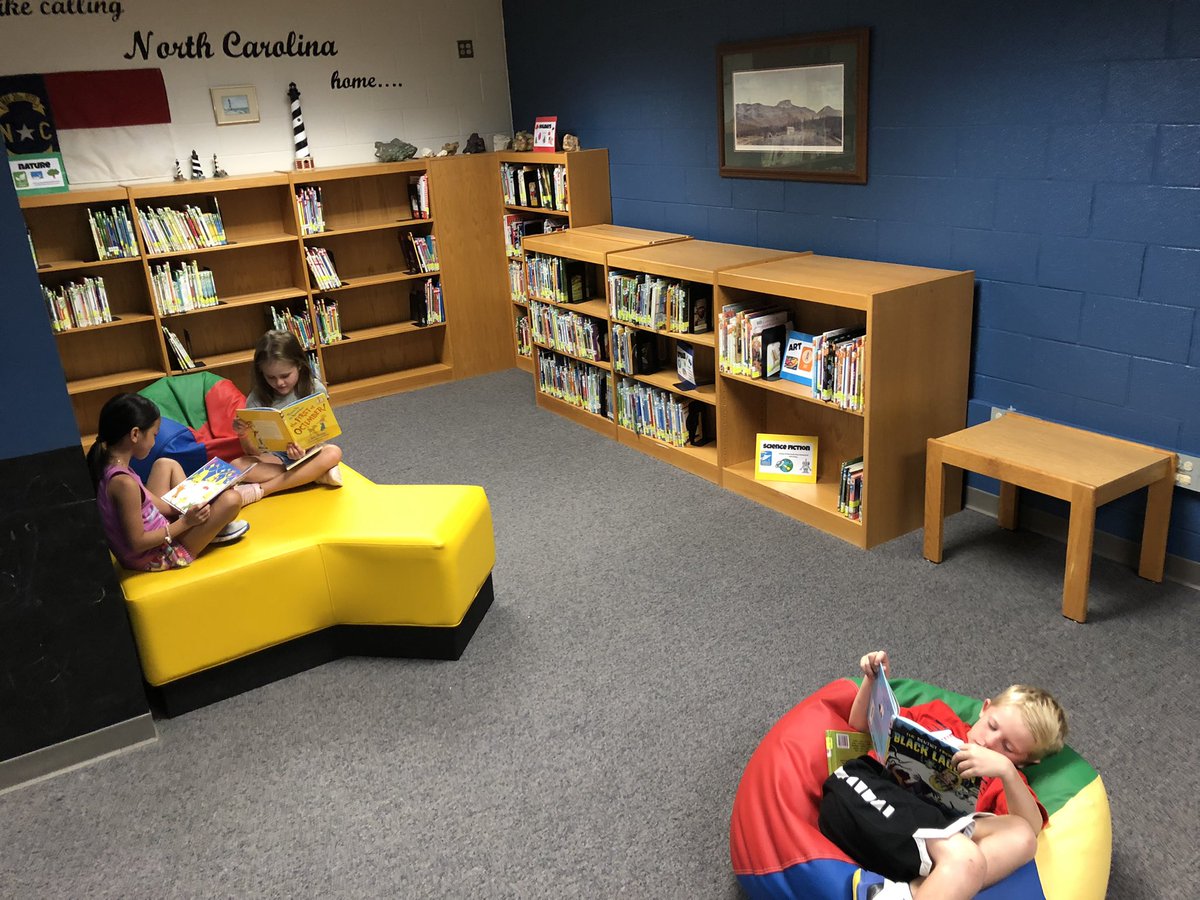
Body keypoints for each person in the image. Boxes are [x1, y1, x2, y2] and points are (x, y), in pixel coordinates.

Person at [821, 650, 1068, 900]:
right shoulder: (938, 717)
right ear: (985, 708)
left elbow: (1030, 828)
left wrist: (1006, 770)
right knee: (964, 856)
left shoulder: (1002, 777)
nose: (990, 742)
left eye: (1009, 748)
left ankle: (906, 892)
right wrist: (872, 680)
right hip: (866, 796)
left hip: (916, 844)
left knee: (1021, 837)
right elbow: (861, 723)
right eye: (993, 726)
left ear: (1026, 762)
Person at [88, 393, 247, 571]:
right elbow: (137, 543)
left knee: (166, 464)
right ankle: (209, 530)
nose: (154, 442)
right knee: (232, 499)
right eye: (154, 435)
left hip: (161, 533)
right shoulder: (124, 484)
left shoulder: (114, 468)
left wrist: (209, 494)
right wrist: (187, 523)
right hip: (158, 556)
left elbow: (164, 507)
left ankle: (207, 524)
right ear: (135, 434)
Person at [231, 330, 343, 502]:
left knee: (333, 452)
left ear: (299, 365)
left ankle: (262, 489)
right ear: (262, 373)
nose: (279, 383)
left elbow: (322, 431)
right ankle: (313, 475)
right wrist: (243, 434)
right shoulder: (256, 398)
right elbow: (253, 451)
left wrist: (303, 451)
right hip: (274, 459)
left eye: (285, 376)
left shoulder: (315, 389)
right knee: (236, 466)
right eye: (271, 377)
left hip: (309, 453)